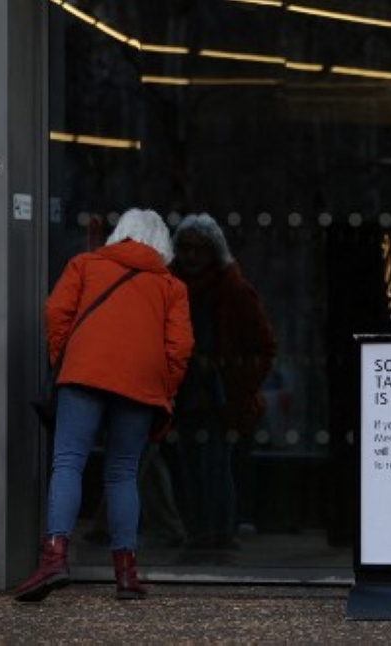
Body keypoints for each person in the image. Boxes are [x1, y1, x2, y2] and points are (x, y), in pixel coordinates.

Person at [14, 208, 194, 602]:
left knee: (68, 462)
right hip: (141, 384)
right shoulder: (171, 287)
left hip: (84, 376)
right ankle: (126, 574)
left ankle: (55, 558)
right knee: (123, 473)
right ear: (161, 244)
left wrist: (69, 356)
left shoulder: (85, 265)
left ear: (121, 234)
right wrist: (163, 385)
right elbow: (180, 347)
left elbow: (55, 311)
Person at [170, 213, 277, 549]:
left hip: (219, 394)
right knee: (186, 465)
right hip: (181, 391)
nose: (191, 256)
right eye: (185, 248)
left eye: (199, 249)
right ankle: (196, 531)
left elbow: (265, 345)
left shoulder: (234, 291)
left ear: (213, 252)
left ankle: (218, 532)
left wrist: (239, 381)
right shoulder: (169, 288)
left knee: (215, 464)